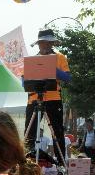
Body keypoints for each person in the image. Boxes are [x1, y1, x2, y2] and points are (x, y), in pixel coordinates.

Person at [25, 29, 70, 165]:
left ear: (52, 43)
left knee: (57, 130)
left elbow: (68, 77)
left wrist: (50, 68)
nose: (46, 45)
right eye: (43, 43)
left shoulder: (60, 57)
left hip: (53, 99)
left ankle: (61, 163)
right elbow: (23, 81)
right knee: (30, 132)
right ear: (39, 44)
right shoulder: (31, 60)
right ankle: (27, 162)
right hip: (33, 99)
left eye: (49, 42)